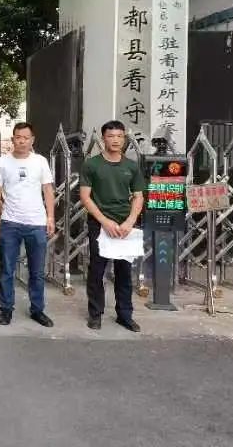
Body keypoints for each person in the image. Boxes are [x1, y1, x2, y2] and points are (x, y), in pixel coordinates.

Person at [79, 120, 145, 332]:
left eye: (119, 136)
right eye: (111, 136)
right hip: (99, 225)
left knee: (124, 272)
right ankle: (95, 314)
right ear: (103, 139)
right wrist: (104, 221)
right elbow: (85, 197)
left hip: (125, 226)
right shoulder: (92, 165)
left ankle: (124, 315)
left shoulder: (131, 166)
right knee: (97, 271)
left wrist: (130, 221)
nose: (115, 140)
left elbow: (138, 196)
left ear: (124, 139)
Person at [0, 122, 55, 327]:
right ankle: (6, 309)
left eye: (26, 138)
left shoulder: (40, 162)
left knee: (37, 271)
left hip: (36, 223)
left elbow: (48, 190)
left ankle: (37, 309)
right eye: (18, 137)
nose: (22, 141)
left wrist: (50, 217)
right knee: (7, 269)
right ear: (13, 139)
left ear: (32, 140)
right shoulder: (2, 163)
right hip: (10, 222)